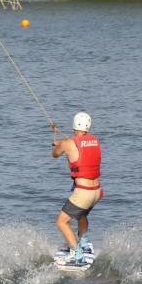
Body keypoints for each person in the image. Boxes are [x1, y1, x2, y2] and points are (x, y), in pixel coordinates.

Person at [51, 112, 102, 265]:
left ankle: (76, 253)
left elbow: (55, 154)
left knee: (61, 222)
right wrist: (61, 142)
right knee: (81, 214)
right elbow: (77, 144)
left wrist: (58, 145)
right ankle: (84, 241)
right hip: (96, 192)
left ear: (74, 124)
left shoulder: (67, 143)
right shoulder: (95, 141)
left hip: (83, 193)